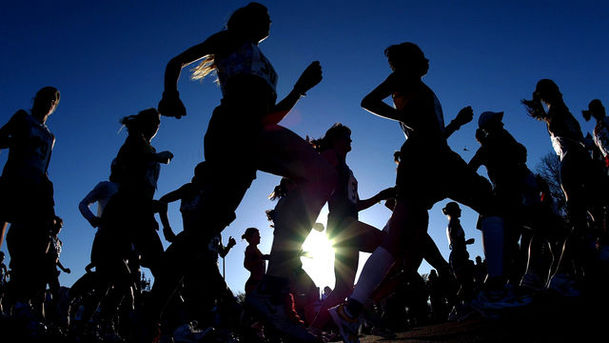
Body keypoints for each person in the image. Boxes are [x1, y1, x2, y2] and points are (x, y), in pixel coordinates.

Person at [156, 3, 336, 341]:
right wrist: (170, 93)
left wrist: (299, 89)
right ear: (247, 20)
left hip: (256, 131)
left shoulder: (262, 61)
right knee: (204, 229)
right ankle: (152, 315)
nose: (270, 19)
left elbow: (271, 116)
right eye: (263, 13)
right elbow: (175, 61)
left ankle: (270, 292)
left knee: (320, 174)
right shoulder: (230, 39)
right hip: (232, 128)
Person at [329, 42, 523, 343]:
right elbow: (368, 101)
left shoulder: (419, 88)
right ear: (409, 60)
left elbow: (429, 130)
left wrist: (454, 123)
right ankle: (495, 289)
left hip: (429, 157)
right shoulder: (403, 78)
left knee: (399, 237)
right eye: (420, 56)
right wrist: (401, 117)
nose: (426, 60)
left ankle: (350, 310)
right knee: (489, 202)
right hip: (428, 158)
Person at [522, 79, 608, 294]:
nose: (561, 92)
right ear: (552, 93)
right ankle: (562, 274)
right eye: (557, 89)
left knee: (592, 218)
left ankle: (577, 272)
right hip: (574, 164)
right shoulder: (557, 112)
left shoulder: (558, 111)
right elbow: (566, 137)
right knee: (583, 220)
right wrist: (585, 144)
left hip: (573, 164)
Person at [308, 123, 394, 331]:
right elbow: (314, 179)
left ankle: (312, 329)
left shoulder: (347, 169)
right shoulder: (330, 156)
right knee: (390, 245)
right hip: (342, 225)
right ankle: (366, 304)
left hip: (346, 226)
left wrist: (379, 196)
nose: (351, 140)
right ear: (337, 139)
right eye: (347, 136)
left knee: (343, 288)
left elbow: (356, 204)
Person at [0, 86, 60, 249]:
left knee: (30, 232)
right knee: (3, 217)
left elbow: (44, 167)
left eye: (54, 101)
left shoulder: (50, 137)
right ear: (37, 99)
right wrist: (18, 142)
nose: (50, 102)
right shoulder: (22, 118)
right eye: (47, 97)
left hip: (35, 187)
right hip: (15, 177)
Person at [242, 227, 269, 295]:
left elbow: (263, 257)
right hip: (254, 284)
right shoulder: (250, 248)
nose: (259, 237)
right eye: (257, 235)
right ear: (251, 238)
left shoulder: (256, 250)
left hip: (259, 283)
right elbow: (246, 264)